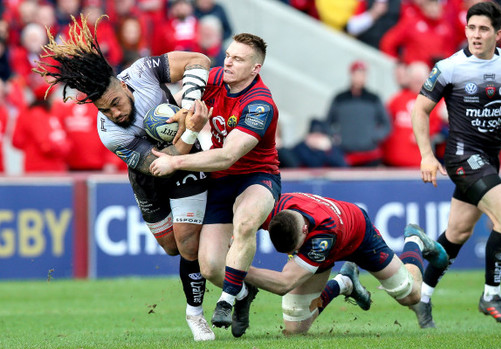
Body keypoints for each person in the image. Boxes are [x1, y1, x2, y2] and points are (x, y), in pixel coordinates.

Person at [33, 14, 215, 341]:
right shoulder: (110, 134)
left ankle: (195, 313)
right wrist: (189, 129)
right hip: (150, 173)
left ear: (122, 82)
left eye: (115, 103)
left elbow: (199, 60)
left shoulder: (143, 71)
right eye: (105, 110)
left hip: (186, 163)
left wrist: (189, 104)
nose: (115, 114)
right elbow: (161, 164)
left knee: (188, 242)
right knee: (172, 248)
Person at [410, 1, 501, 328]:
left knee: (457, 233)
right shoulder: (449, 67)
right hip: (463, 157)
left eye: (483, 29)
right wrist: (426, 154)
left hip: (488, 160)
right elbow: (419, 110)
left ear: (498, 34)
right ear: (465, 30)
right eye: (471, 28)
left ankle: (421, 298)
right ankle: (491, 295)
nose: (476, 35)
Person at [149, 33, 280, 337]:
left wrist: (175, 161)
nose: (229, 62)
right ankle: (244, 292)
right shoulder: (217, 78)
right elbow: (187, 100)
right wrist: (180, 111)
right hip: (221, 181)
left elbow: (227, 156)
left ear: (255, 68)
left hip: (256, 176)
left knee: (246, 222)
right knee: (208, 267)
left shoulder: (260, 104)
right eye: (229, 55)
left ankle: (226, 300)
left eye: (239, 59)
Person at [244, 192, 449, 335]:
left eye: (293, 249)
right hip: (325, 243)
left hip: (359, 235)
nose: (291, 254)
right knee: (296, 327)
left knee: (412, 295)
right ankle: (344, 282)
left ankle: (415, 240)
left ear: (304, 231)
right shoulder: (275, 206)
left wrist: (237, 270)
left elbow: (284, 283)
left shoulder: (322, 234)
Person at [326, 59, 392, 167]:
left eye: (363, 74)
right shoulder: (340, 98)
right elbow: (328, 122)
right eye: (357, 74)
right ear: (351, 75)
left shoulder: (373, 99)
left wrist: (374, 136)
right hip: (345, 155)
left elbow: (386, 124)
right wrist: (335, 138)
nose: (360, 77)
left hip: (369, 155)